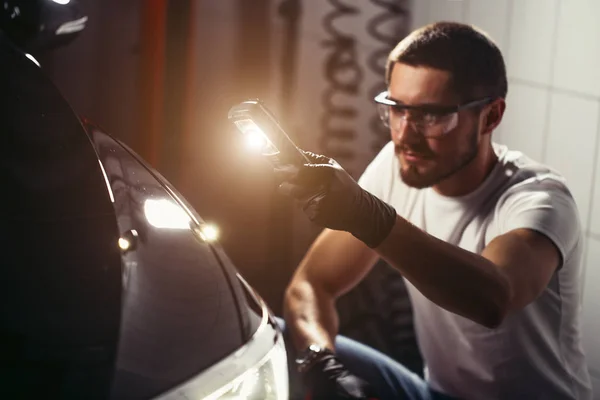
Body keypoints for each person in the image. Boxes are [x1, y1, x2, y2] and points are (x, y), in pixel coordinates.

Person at [276, 22, 593, 400]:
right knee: (283, 338)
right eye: (395, 110)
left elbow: (494, 298)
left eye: (431, 116)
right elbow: (311, 284)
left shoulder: (539, 199)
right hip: (436, 393)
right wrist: (320, 364)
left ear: (491, 117)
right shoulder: (397, 165)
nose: (405, 136)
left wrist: (367, 217)